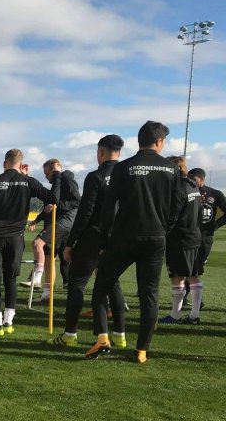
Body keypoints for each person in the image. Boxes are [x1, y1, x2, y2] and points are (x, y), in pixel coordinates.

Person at [87, 121, 188, 363]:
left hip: (124, 237)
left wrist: (103, 240)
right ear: (159, 142)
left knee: (102, 285)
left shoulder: (123, 167)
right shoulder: (171, 169)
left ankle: (102, 338)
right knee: (149, 294)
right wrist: (164, 229)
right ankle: (141, 350)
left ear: (139, 140)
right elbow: (177, 205)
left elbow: (109, 207)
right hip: (155, 238)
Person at [50, 134, 127, 349]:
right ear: (119, 152)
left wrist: (70, 242)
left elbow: (85, 212)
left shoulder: (95, 176)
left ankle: (70, 334)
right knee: (113, 284)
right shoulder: (127, 176)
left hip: (93, 237)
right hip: (117, 238)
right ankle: (120, 335)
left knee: (77, 283)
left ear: (100, 152)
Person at [0, 149, 60, 336]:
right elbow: (54, 199)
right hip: (15, 238)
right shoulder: (28, 181)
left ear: (4, 163)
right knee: (11, 279)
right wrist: (57, 176)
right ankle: (8, 323)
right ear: (21, 164)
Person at [158, 156, 203, 325]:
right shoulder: (193, 186)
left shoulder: (178, 188)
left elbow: (173, 216)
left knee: (177, 276)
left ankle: (176, 315)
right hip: (194, 237)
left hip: (180, 239)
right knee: (193, 275)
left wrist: (163, 233)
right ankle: (194, 315)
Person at [27, 159, 80, 302]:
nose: (46, 177)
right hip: (56, 222)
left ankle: (36, 277)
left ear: (55, 169)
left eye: (47, 173)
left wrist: (58, 205)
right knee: (49, 257)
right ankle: (47, 293)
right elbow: (49, 207)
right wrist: (37, 220)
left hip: (64, 222)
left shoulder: (66, 178)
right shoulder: (55, 185)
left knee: (37, 243)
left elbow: (77, 201)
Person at [191, 168, 226, 287]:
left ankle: (190, 292)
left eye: (193, 179)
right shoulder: (186, 192)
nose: (190, 181)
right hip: (189, 235)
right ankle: (184, 294)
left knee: (198, 268)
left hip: (206, 236)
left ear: (201, 179)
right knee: (187, 267)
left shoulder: (215, 194)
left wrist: (215, 225)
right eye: (188, 179)